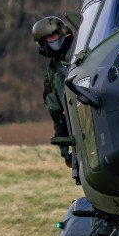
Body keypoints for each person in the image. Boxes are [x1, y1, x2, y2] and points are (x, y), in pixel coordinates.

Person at [32, 15, 75, 150]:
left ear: (62, 33)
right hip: (73, 127)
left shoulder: (78, 51)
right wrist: (61, 133)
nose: (50, 40)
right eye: (46, 38)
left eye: (53, 36)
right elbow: (53, 103)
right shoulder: (52, 70)